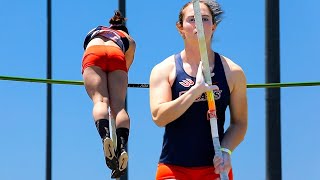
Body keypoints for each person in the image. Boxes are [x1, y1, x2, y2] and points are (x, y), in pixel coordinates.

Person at [149, 1, 247, 179]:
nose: (199, 24)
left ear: (214, 26)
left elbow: (239, 123)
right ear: (180, 28)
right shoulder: (164, 69)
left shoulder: (232, 71)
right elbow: (159, 116)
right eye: (192, 19)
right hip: (173, 168)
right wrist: (196, 90)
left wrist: (226, 150)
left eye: (205, 19)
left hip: (216, 168)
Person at [81, 10, 136, 179]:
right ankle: (122, 146)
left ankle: (105, 136)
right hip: (117, 55)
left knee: (100, 100)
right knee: (118, 106)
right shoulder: (129, 40)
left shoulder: (94, 30)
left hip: (94, 53)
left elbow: (87, 49)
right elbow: (126, 66)